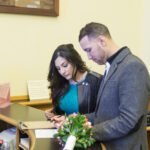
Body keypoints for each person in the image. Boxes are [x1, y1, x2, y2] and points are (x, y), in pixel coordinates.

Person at [79, 22, 150, 150]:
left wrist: (90, 132)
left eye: (89, 50)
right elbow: (104, 114)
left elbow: (129, 121)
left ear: (101, 40)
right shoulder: (110, 66)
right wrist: (80, 120)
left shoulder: (132, 66)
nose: (88, 57)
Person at [45, 44, 103, 121]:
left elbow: (102, 115)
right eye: (58, 68)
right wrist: (54, 112)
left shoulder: (96, 81)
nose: (62, 72)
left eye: (65, 65)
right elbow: (65, 111)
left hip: (88, 131)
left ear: (75, 61)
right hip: (64, 130)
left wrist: (69, 119)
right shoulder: (60, 83)